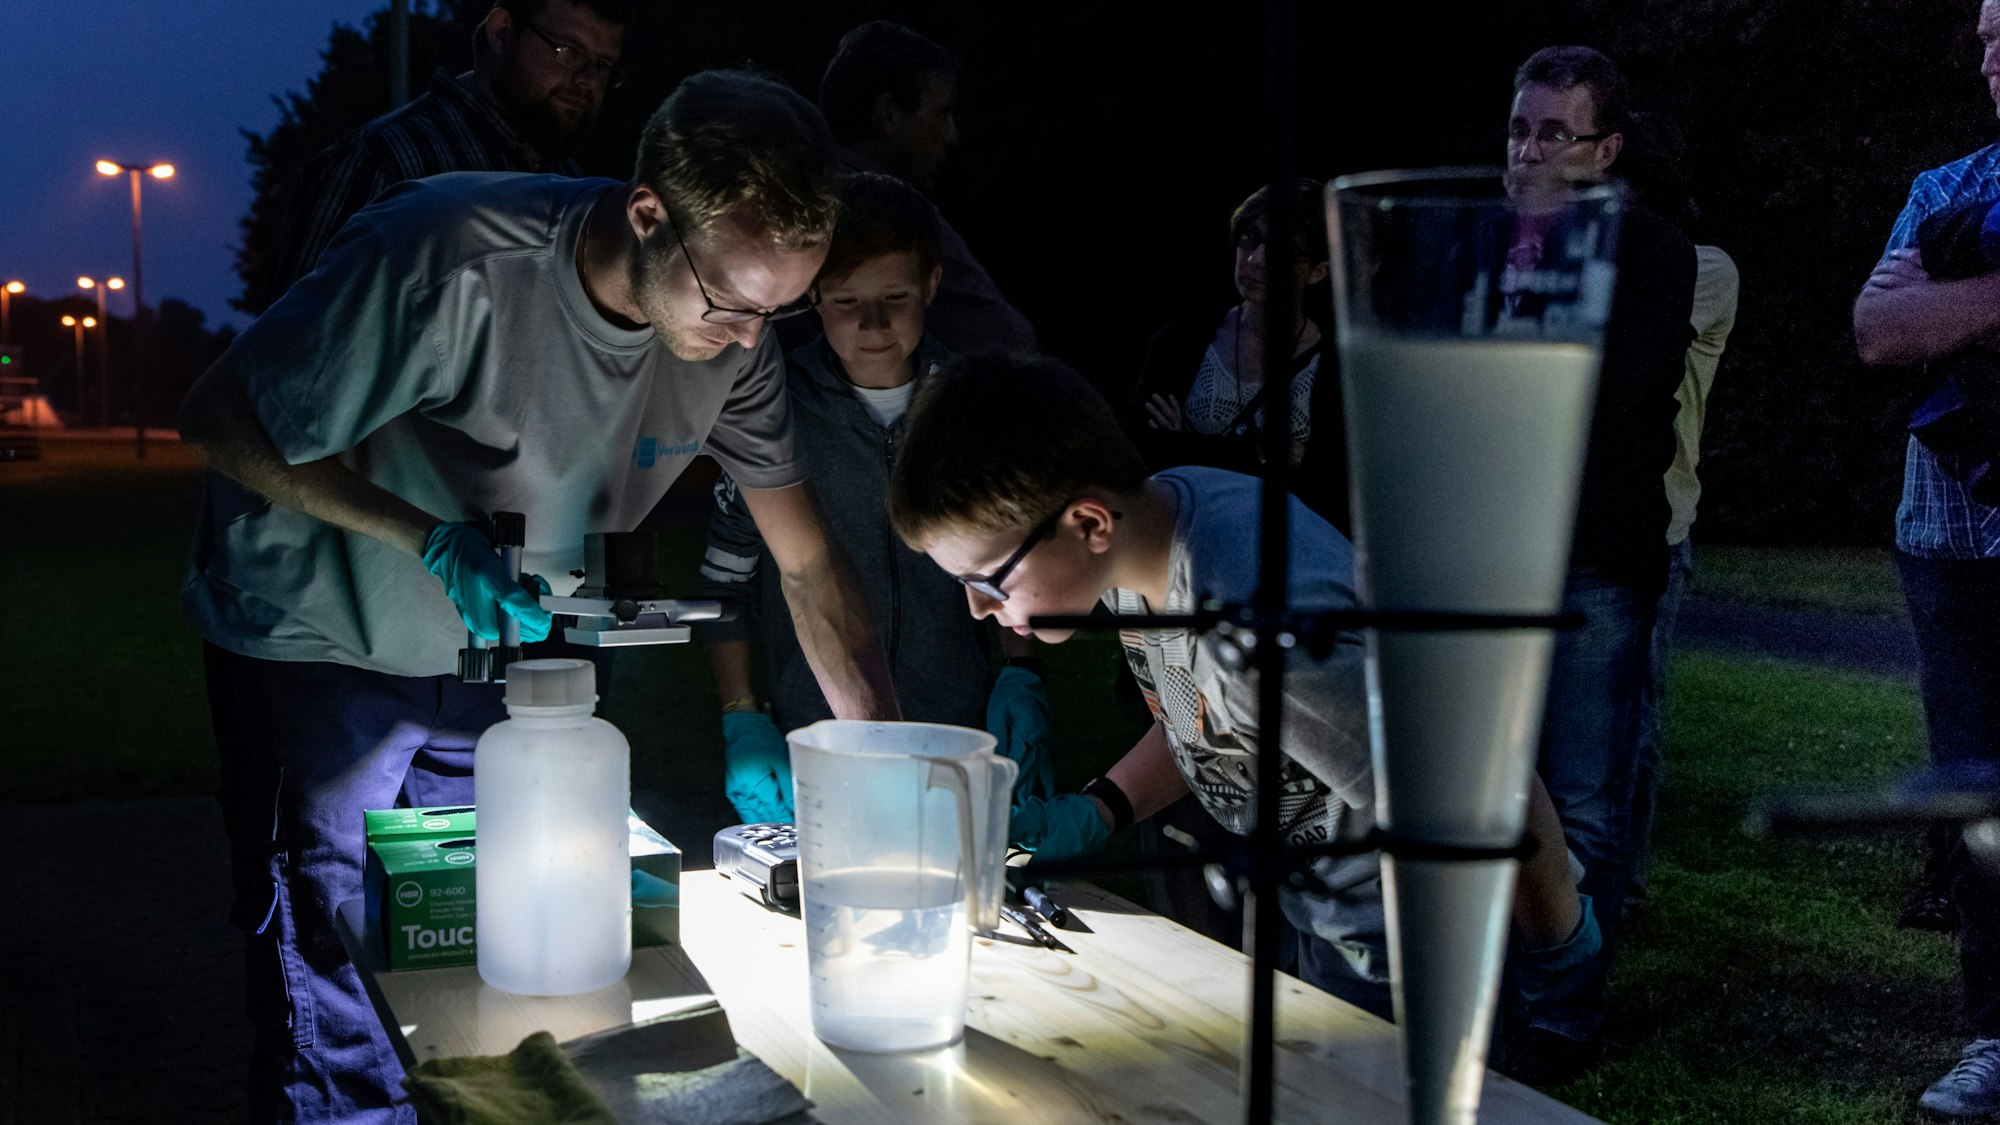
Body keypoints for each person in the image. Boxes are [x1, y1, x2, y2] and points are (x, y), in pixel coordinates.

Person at [178, 70, 897, 1124]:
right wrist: (428, 540)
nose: (751, 339)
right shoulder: (447, 257)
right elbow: (220, 418)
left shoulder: (736, 333)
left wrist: (885, 771)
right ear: (646, 213)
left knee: (487, 966)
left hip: (500, 664)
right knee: (337, 966)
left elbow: (804, 563)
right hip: (320, 641)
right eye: (731, 301)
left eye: (778, 311)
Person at [885, 351, 1598, 1024]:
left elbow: (1475, 782)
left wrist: (1557, 943)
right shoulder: (1156, 527)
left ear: (1087, 522)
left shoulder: (1256, 632)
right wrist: (1098, 808)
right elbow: (1210, 721)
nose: (979, 608)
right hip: (1317, 906)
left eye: (986, 579)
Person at [694, 172, 1054, 824]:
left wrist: (1020, 675)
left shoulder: (972, 406)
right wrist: (740, 712)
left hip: (959, 733)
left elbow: (1014, 562)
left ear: (932, 285)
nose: (874, 323)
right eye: (846, 301)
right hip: (822, 736)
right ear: (812, 295)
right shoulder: (774, 413)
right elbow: (725, 578)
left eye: (895, 296)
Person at [1851, 1, 2000, 1114]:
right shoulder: (1948, 186)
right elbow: (1878, 331)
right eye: (1984, 33)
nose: (1988, 53)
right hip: (1950, 534)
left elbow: (1920, 316)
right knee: (1977, 793)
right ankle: (1993, 1039)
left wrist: (1955, 304)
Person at [260, 0, 628, 303]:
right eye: (568, 51)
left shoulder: (576, 185)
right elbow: (292, 348)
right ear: (501, 32)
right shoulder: (383, 161)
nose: (587, 81)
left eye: (602, 65)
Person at [1615, 111, 1741, 919]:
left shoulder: (1705, 270)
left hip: (1654, 520)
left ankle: (1615, 885)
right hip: (1565, 526)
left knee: (1631, 720)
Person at [1126, 178, 1348, 531]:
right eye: (1250, 239)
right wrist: (1264, 454)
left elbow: (1328, 490)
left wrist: (1188, 442)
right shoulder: (1181, 340)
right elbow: (1142, 455)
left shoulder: (1335, 364)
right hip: (1183, 540)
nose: (1255, 260)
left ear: (1318, 271)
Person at [807, 20, 1036, 355]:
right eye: (942, 112)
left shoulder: (792, 199)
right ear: (888, 114)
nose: (951, 136)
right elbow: (1005, 338)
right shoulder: (896, 214)